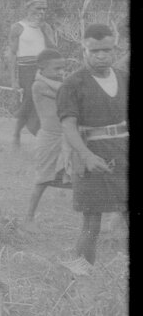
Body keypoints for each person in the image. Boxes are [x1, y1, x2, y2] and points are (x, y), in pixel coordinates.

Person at [55, 24, 127, 276]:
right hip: (89, 157)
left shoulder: (123, 77)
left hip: (123, 153)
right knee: (91, 223)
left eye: (106, 50)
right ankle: (81, 275)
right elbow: (68, 125)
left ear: (114, 48)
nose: (101, 55)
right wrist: (86, 155)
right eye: (94, 50)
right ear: (84, 49)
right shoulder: (73, 84)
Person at [23, 49, 72, 228]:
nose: (61, 72)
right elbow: (65, 93)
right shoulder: (39, 85)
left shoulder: (60, 83)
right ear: (41, 67)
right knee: (42, 179)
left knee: (75, 173)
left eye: (63, 68)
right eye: (57, 68)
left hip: (67, 135)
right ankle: (29, 217)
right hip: (49, 137)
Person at [9, 0, 57, 148]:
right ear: (28, 8)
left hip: (44, 69)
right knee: (31, 99)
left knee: (46, 100)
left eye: (44, 9)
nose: (42, 12)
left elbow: (53, 49)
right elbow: (12, 54)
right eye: (38, 8)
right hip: (26, 70)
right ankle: (19, 133)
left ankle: (40, 134)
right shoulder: (18, 27)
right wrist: (13, 79)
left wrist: (44, 30)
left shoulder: (46, 27)